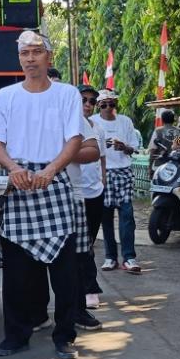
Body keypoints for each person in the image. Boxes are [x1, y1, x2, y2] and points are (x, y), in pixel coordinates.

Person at [0, 31, 84, 359]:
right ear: (20, 58)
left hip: (53, 184)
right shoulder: (3, 98)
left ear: (48, 57)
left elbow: (74, 139)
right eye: (25, 53)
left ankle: (65, 335)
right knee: (16, 274)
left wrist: (52, 170)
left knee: (66, 273)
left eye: (36, 52)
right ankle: (16, 335)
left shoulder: (68, 94)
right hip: (19, 184)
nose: (30, 58)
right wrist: (13, 169)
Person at [89, 90, 142, 273]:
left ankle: (129, 257)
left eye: (112, 104)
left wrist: (123, 146)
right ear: (98, 106)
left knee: (127, 216)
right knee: (106, 217)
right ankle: (110, 257)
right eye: (104, 104)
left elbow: (134, 148)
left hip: (123, 171)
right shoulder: (93, 122)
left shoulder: (125, 121)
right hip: (102, 173)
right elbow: (88, 147)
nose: (108, 108)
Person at [77, 85, 107, 311]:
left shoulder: (97, 127)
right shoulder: (67, 124)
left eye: (91, 101)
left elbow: (102, 157)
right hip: (74, 193)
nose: (88, 104)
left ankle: (85, 287)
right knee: (81, 242)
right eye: (84, 100)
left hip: (95, 192)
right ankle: (89, 288)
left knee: (88, 242)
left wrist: (103, 182)